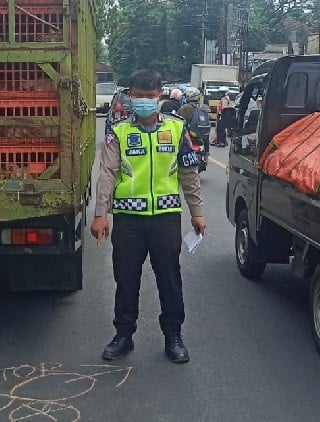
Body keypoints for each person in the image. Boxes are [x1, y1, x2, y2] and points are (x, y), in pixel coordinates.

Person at [91, 69, 206, 364]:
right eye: (138, 96)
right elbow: (107, 173)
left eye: (149, 96)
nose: (144, 101)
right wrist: (101, 213)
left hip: (165, 218)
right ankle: (123, 335)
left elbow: (189, 173)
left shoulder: (177, 128)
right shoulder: (118, 131)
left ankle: (173, 336)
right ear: (130, 96)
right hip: (128, 220)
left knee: (169, 279)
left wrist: (197, 212)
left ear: (160, 96)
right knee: (126, 279)